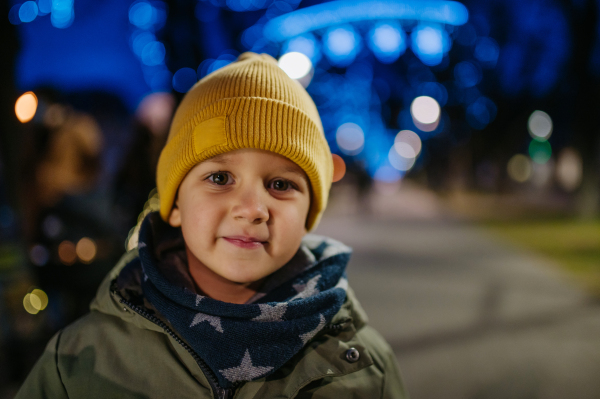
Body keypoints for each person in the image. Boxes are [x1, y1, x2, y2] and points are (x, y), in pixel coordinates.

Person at [16, 52, 408, 399]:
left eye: (280, 185)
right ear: (175, 206)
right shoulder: (79, 362)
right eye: (220, 178)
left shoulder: (362, 368)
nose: (253, 209)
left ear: (309, 214)